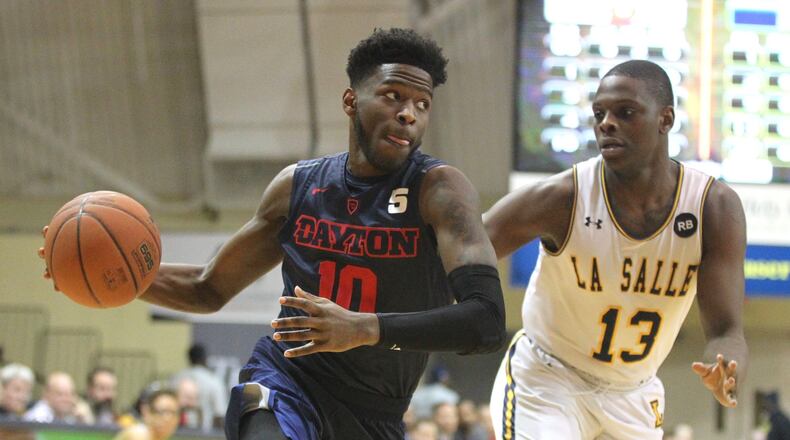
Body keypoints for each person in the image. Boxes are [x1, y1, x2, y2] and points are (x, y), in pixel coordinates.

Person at [37, 28, 506, 439]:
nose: (409, 114)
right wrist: (111, 275)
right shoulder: (297, 186)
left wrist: (362, 328)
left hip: (376, 412)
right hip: (290, 379)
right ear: (350, 101)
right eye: (392, 96)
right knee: (261, 405)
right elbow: (208, 288)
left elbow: (485, 321)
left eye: (422, 104)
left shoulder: (439, 189)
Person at [485, 60, 748, 439]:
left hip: (634, 393)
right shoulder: (564, 196)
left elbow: (727, 330)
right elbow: (473, 242)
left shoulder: (713, 207)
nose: (606, 123)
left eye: (625, 112)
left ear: (665, 119)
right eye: (599, 113)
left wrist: (728, 368)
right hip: (547, 378)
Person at [171, 344, 227, 431]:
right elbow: (219, 414)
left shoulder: (176, 378)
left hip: (178, 432)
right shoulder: (213, 381)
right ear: (205, 358)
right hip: (204, 434)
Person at [114, 388, 181, 440]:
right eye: (162, 412)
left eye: (173, 413)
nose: (167, 418)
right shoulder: (139, 434)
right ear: (147, 412)